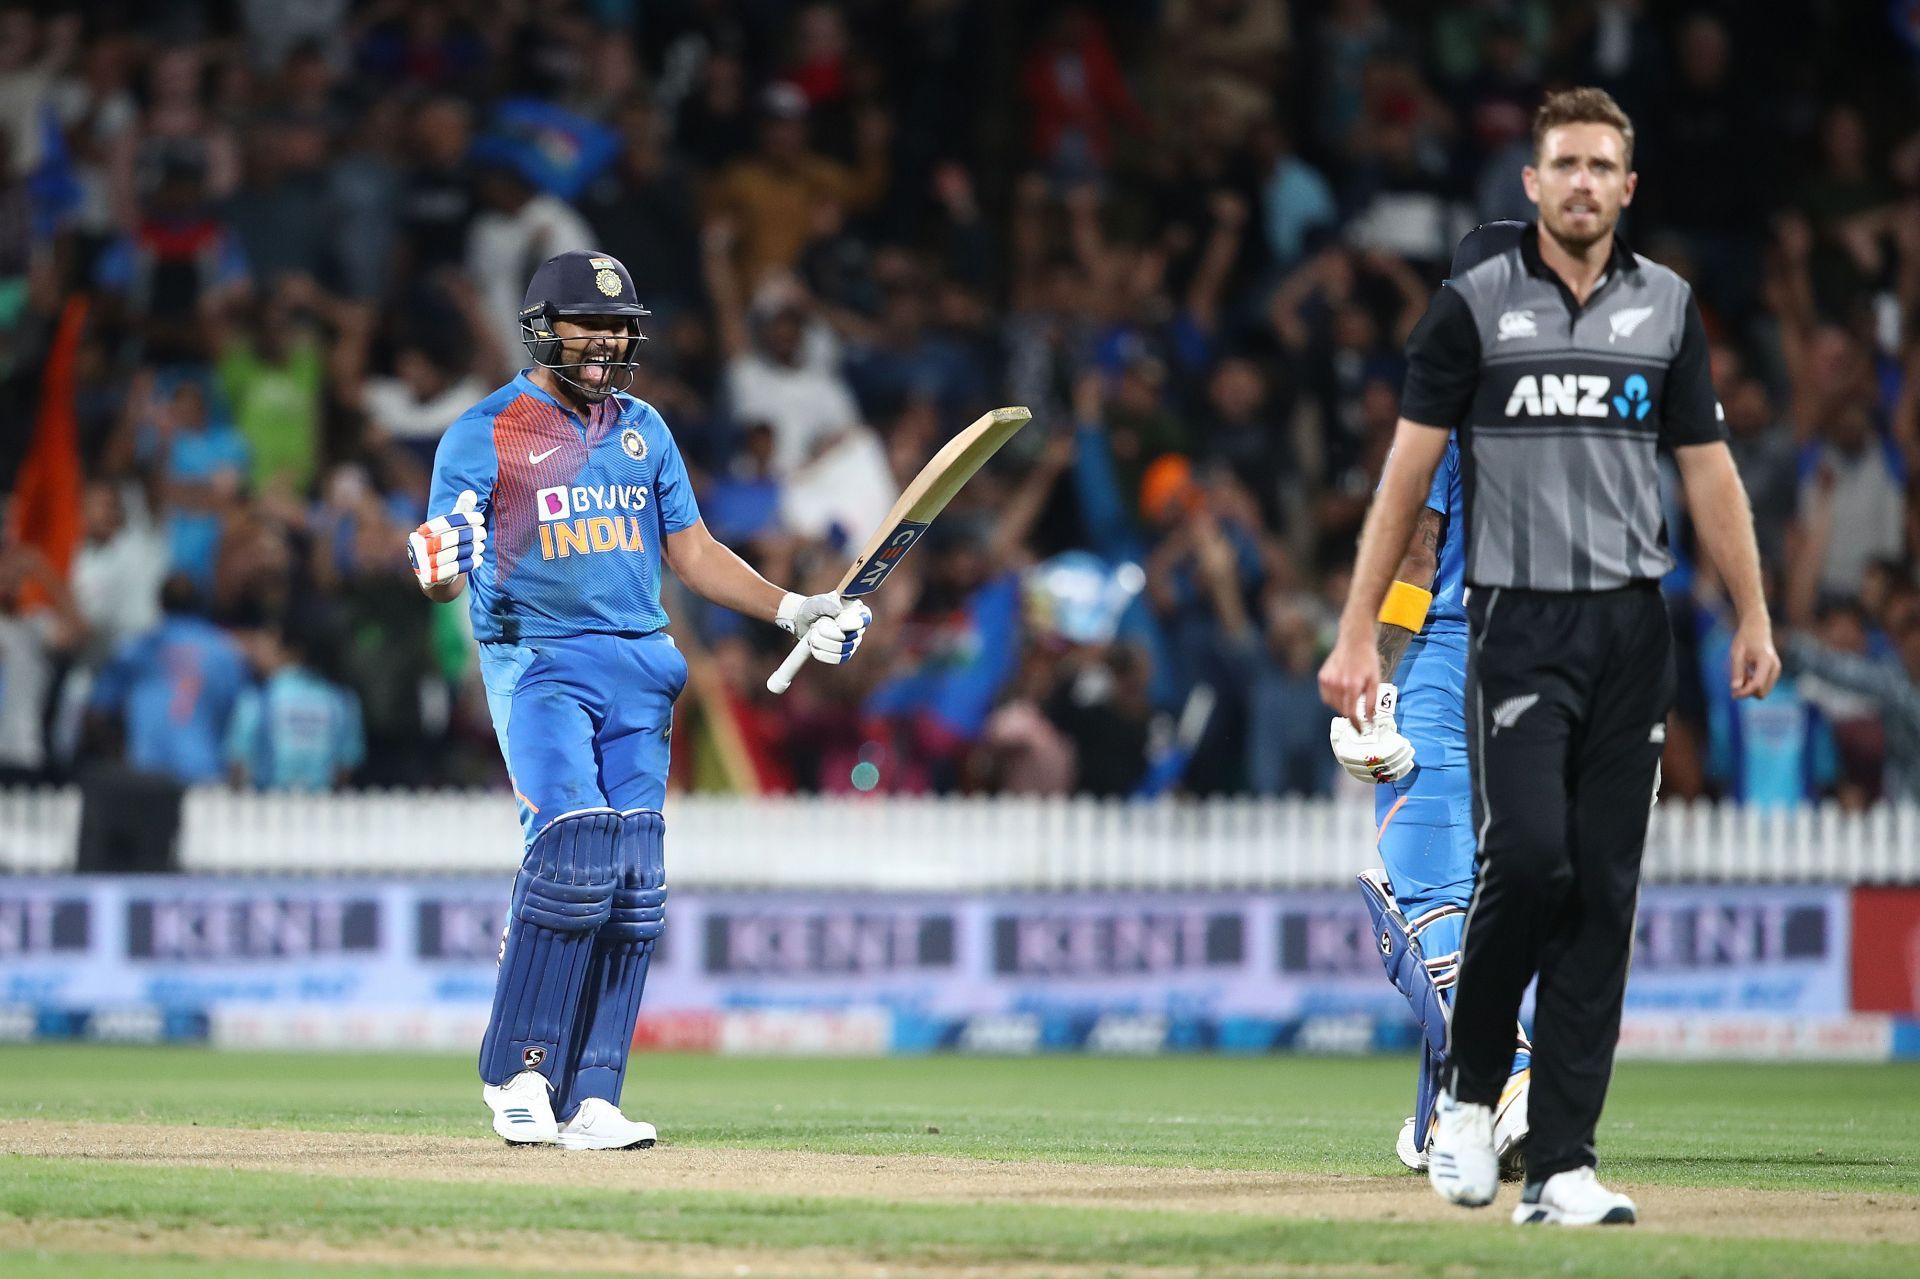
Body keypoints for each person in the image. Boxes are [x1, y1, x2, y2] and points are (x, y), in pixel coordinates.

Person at [1318, 89, 1779, 1226]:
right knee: (1427, 878)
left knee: (1542, 885)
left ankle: (1476, 1104)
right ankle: (1496, 1087)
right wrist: (1371, 665)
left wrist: (1740, 612)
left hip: (1576, 645)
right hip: (1455, 648)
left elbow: (1695, 474)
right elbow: (1418, 530)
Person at [412, 249, 873, 1151]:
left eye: (620, 325)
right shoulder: (485, 431)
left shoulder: (644, 428)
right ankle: (518, 1072)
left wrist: (793, 609)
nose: (610, 339)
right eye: (590, 322)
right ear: (544, 327)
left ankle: (593, 1092)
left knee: (631, 881)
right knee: (574, 849)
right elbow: (445, 556)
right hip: (539, 661)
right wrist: (433, 569)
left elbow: (693, 553)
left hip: (642, 666)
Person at [1330, 223, 1536, 1179]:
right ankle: (1441, 1117)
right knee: (1482, 893)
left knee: (1414, 892)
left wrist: (1379, 671)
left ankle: (1513, 1068)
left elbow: (1416, 553)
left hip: (1452, 661)